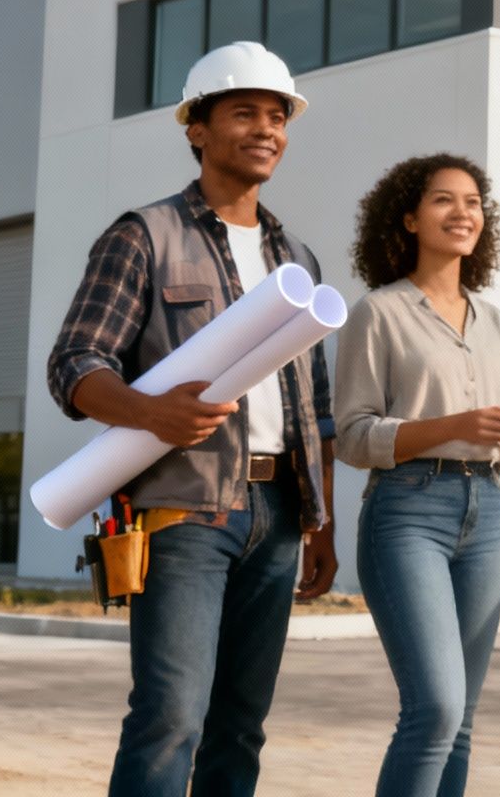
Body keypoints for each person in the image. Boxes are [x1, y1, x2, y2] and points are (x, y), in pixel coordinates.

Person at [46, 41, 337, 796]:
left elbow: (318, 408)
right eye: (245, 112)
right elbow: (75, 365)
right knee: (172, 715)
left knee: (241, 724)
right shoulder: (144, 235)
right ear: (196, 129)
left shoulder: (296, 256)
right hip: (182, 514)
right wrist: (148, 411)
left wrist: (321, 522)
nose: (267, 129)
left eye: (278, 116)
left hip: (277, 513)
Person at [335, 153, 500, 796]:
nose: (462, 212)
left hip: (488, 511)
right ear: (410, 219)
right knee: (436, 708)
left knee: (462, 720)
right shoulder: (379, 313)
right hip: (407, 511)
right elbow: (354, 436)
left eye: (473, 202)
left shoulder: (497, 323)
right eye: (444, 200)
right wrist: (457, 425)